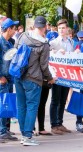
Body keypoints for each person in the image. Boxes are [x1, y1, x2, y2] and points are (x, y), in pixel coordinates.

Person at [14, 16, 55, 146]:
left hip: (18, 75)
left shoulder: (22, 36)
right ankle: (27, 136)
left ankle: (23, 134)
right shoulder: (44, 44)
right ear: (45, 27)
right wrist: (50, 78)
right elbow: (44, 66)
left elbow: (15, 51)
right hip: (33, 78)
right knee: (32, 106)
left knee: (21, 106)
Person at [49, 19, 73, 135]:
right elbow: (48, 55)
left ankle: (60, 122)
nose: (61, 30)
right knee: (55, 100)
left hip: (67, 74)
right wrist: (56, 52)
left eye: (63, 28)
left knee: (63, 100)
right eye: (59, 28)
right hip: (57, 75)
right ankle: (54, 125)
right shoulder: (53, 42)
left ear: (67, 29)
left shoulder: (70, 42)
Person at [0, 18, 19, 143]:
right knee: (2, 105)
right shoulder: (1, 43)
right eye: (14, 28)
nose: (15, 30)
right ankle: (2, 132)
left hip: (9, 79)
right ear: (8, 29)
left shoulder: (9, 43)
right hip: (2, 79)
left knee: (7, 105)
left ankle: (5, 130)